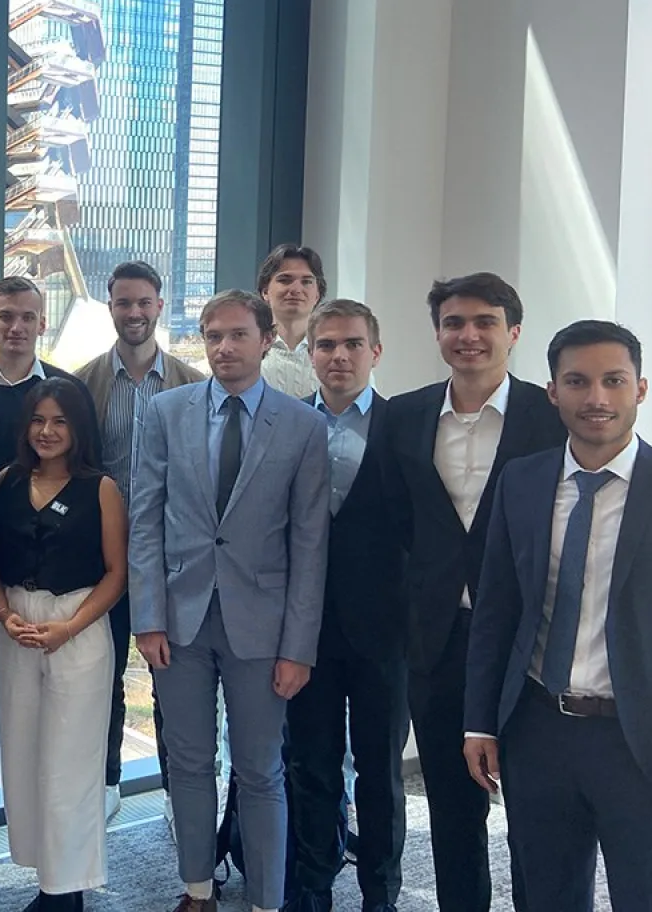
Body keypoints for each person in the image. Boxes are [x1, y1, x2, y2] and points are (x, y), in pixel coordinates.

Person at [464, 321, 652, 911]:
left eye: (614, 381)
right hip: (538, 733)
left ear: (641, 389)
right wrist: (480, 721)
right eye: (577, 382)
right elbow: (496, 610)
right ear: (553, 391)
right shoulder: (522, 482)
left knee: (651, 899)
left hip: (643, 746)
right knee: (547, 897)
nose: (597, 398)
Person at [130, 290, 330, 912]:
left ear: (266, 340)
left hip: (263, 628)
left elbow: (310, 545)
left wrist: (299, 647)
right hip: (180, 623)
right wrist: (148, 618)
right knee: (189, 764)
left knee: (259, 770)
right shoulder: (165, 412)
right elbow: (146, 521)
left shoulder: (303, 425)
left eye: (238, 335)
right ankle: (197, 889)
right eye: (213, 335)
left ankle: (267, 900)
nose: (224, 348)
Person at [378, 273, 564, 912]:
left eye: (485, 322)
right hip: (437, 641)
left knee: (537, 813)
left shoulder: (553, 416)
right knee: (455, 813)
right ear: (437, 335)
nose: (469, 335)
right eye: (454, 323)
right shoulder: (402, 414)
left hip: (527, 643)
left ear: (513, 333)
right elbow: (392, 522)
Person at [0, 275, 94, 839]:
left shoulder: (65, 392)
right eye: (5, 316)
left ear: (41, 323)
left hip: (52, 581)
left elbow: (87, 480)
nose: (16, 327)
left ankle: (49, 835)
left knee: (49, 713)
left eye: (27, 316)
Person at [284, 300, 408, 912]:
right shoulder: (285, 426)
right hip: (304, 633)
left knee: (381, 773)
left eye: (353, 344)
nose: (339, 355)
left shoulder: (406, 427)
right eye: (327, 344)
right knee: (311, 765)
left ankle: (380, 892)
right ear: (310, 354)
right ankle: (312, 886)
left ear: (375, 353)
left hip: (385, 635)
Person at [0, 378, 127, 911]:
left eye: (60, 421)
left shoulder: (101, 489)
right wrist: (3, 614)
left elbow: (117, 574)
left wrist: (70, 627)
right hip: (16, 624)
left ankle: (67, 893)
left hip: (79, 625)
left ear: (79, 427)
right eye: (39, 420)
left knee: (71, 762)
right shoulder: (6, 481)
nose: (47, 431)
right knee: (22, 754)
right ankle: (45, 877)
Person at [72, 260, 203, 823]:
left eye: (143, 302)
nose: (134, 312)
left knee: (171, 680)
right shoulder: (81, 383)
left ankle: (180, 792)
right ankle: (105, 781)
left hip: (171, 558)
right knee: (102, 676)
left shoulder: (194, 385)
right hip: (100, 556)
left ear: (159, 306)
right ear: (110, 308)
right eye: (123, 303)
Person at [257, 245, 326, 399]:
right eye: (285, 280)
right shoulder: (250, 351)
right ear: (265, 291)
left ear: (317, 294)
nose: (296, 289)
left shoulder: (334, 352)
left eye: (306, 282)